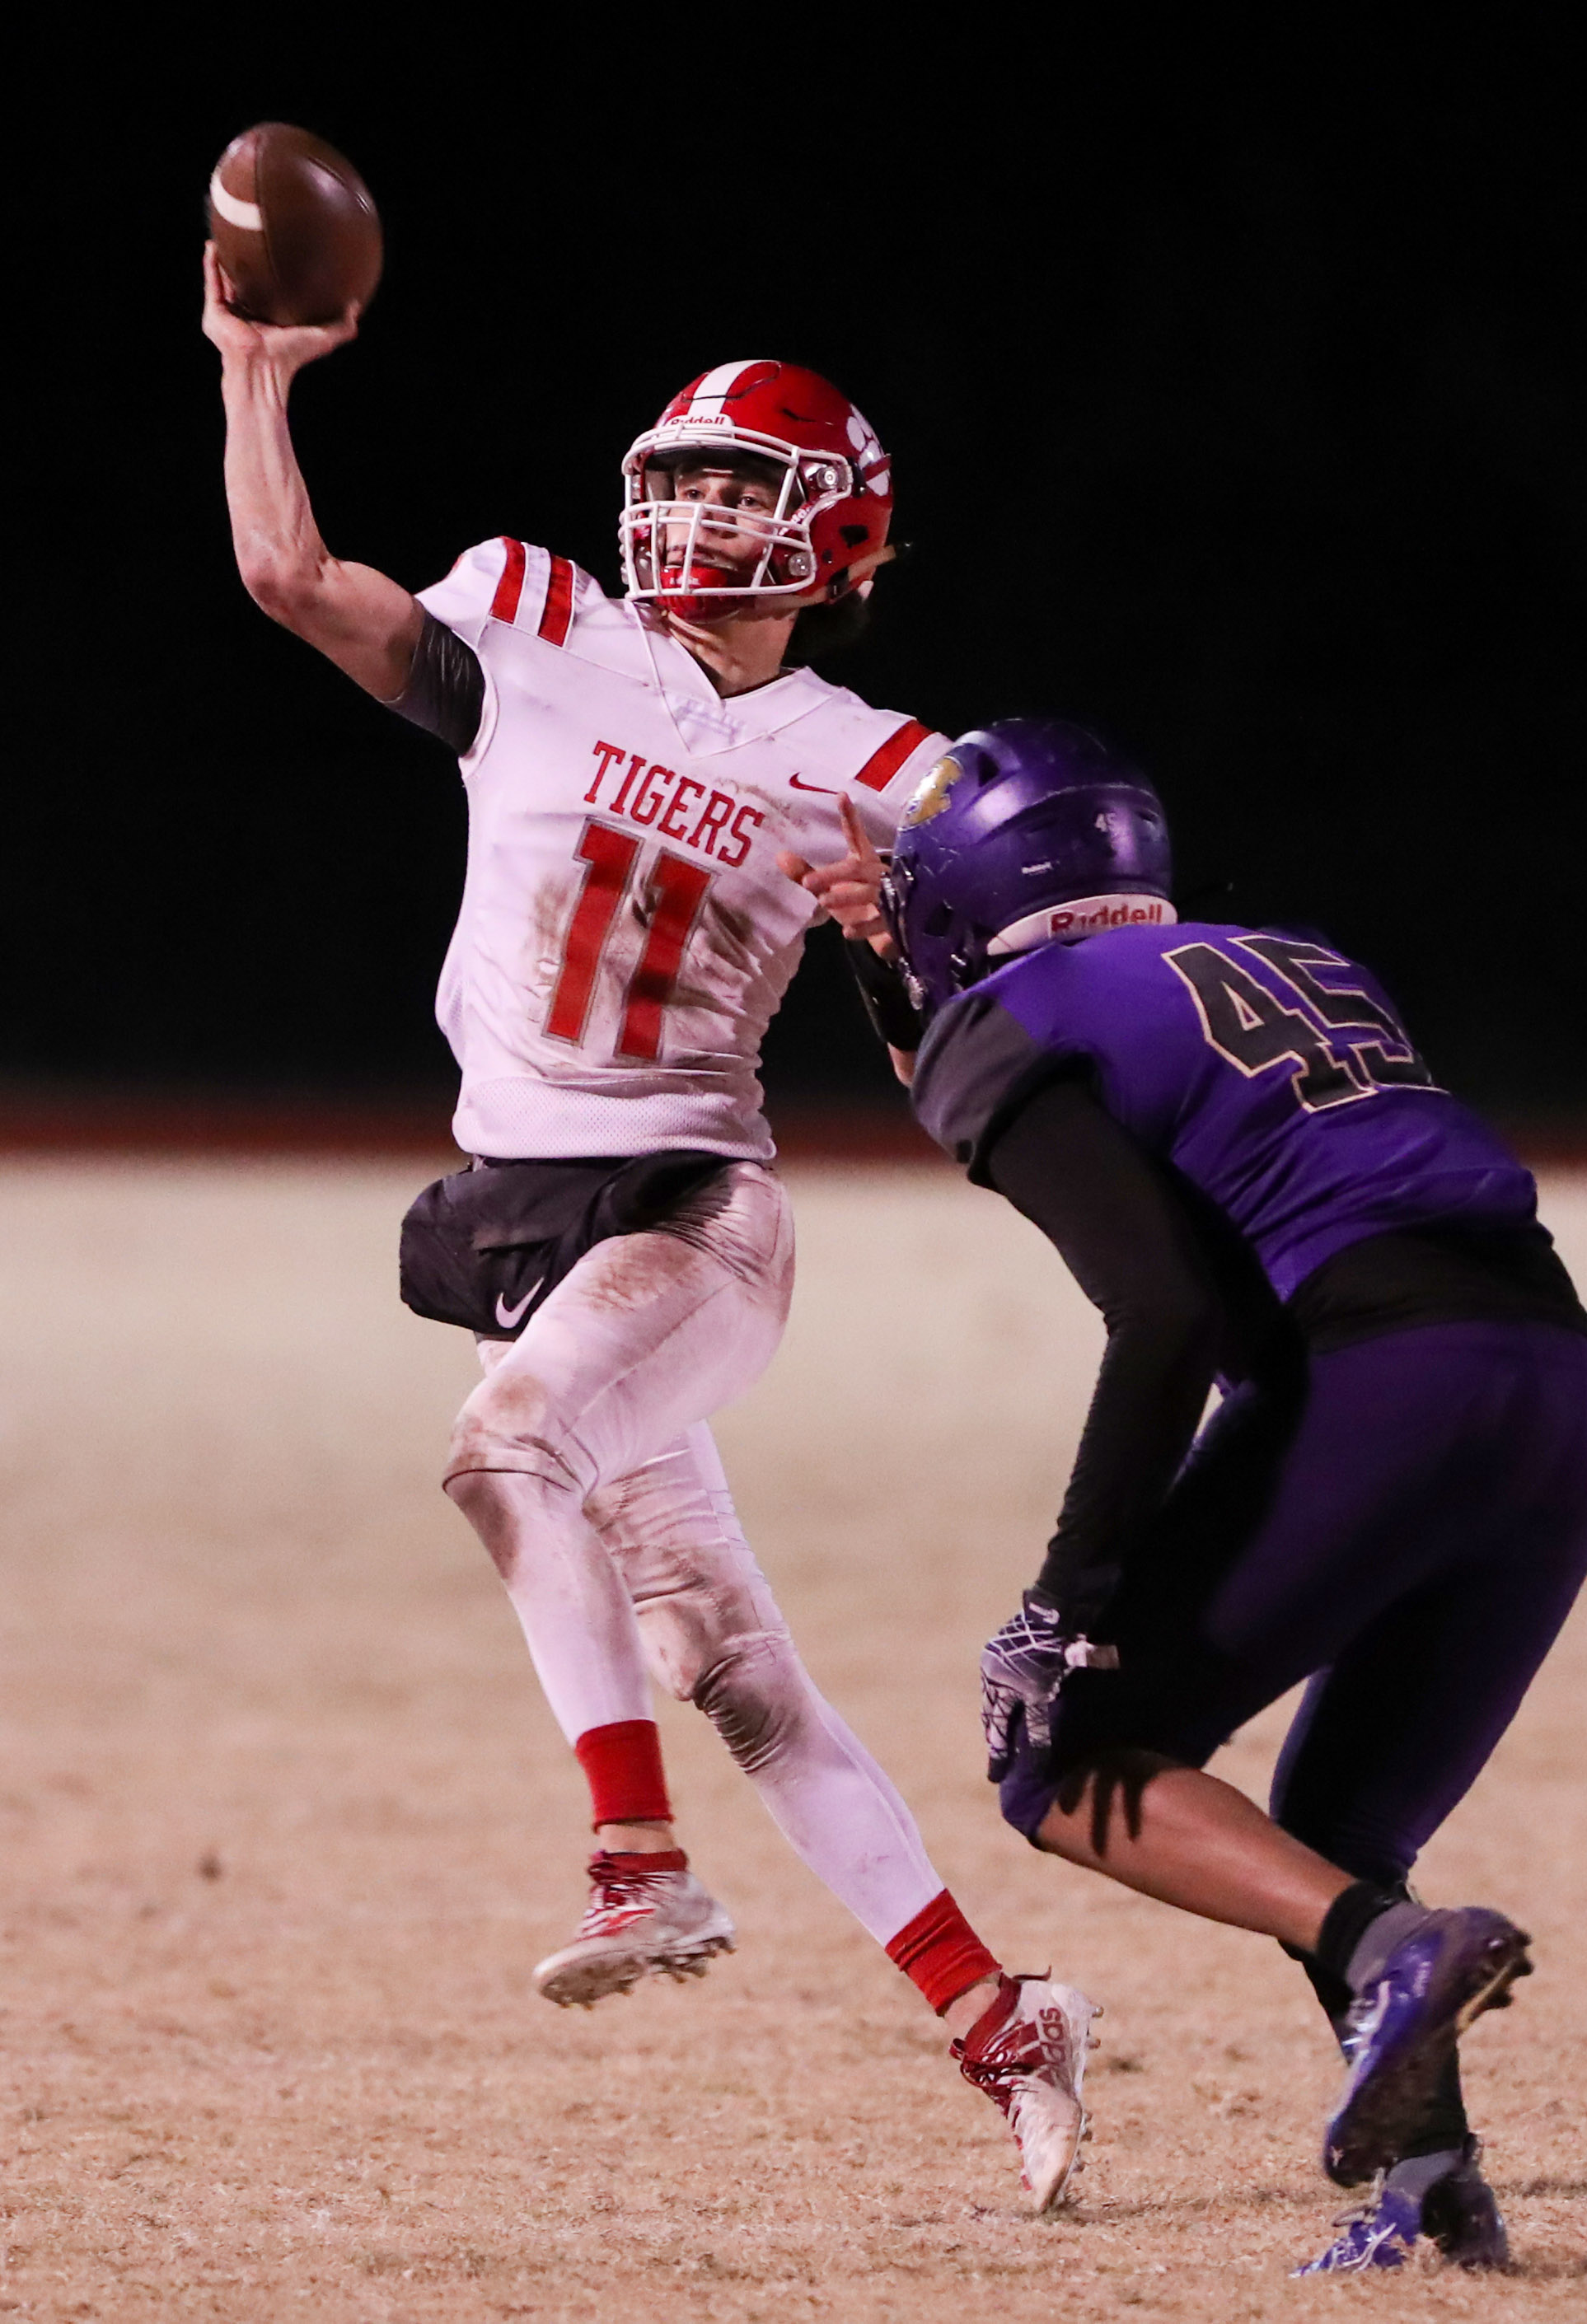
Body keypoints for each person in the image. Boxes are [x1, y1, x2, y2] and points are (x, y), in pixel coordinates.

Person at [203, 258, 1100, 2209]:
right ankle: (1000, 2014)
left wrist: (915, 951)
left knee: (503, 1447)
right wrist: (249, 372)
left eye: (744, 483)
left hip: (693, 1211)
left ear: (838, 537)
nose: (695, 513)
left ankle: (638, 1860)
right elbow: (293, 582)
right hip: (531, 1221)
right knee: (738, 1666)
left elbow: (992, 1016)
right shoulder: (532, 623)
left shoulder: (878, 765)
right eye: (679, 475)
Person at [788, 719, 1587, 2273]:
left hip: (1381, 1384)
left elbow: (1161, 1312)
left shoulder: (1006, 1017)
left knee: (1066, 1760)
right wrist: (894, 969)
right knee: (1336, 1827)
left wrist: (1069, 1589)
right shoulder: (1286, 955)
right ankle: (1434, 2188)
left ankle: (1394, 1950)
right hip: (1557, 1384)